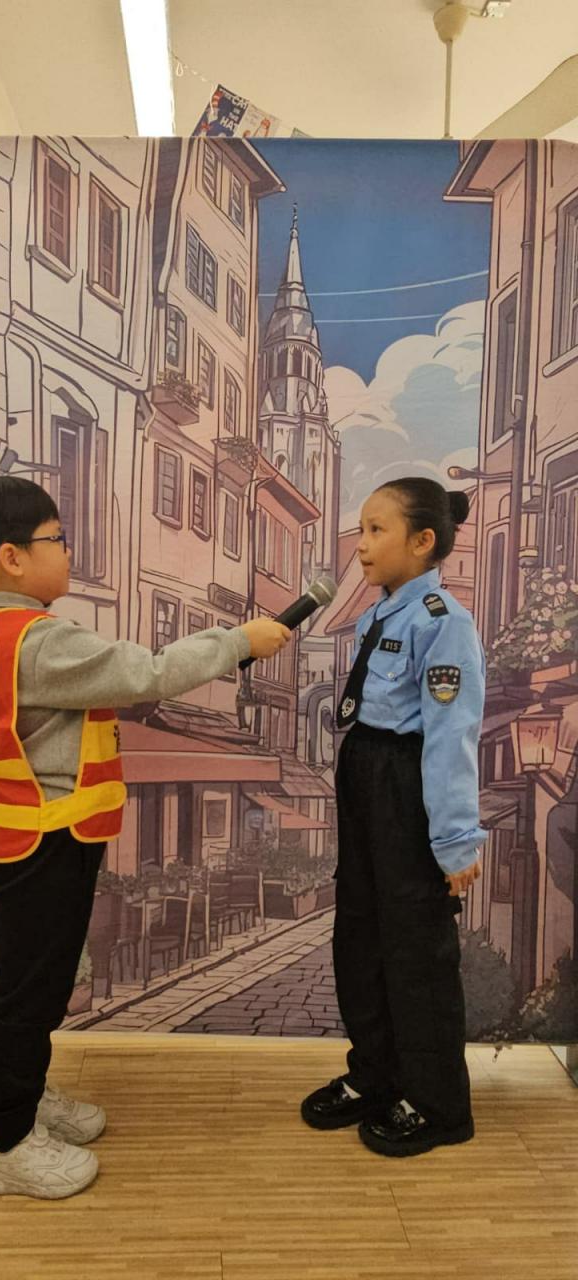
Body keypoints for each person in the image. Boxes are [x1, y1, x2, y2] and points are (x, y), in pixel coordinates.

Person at [0, 473, 290, 1199]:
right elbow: (149, 673)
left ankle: (26, 1098)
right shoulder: (41, 641)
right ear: (12, 557)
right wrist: (237, 641)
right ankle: (6, 1142)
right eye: (57, 538)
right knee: (28, 993)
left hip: (33, 836)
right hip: (45, 842)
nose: (69, 550)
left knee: (37, 983)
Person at [301, 477, 486, 1157]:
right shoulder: (380, 614)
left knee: (416, 948)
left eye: (377, 530)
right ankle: (375, 1074)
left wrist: (455, 841)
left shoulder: (443, 621)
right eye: (361, 529)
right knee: (360, 934)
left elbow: (451, 737)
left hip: (407, 781)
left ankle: (436, 1103)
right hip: (366, 768)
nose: (362, 544)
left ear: (423, 540)